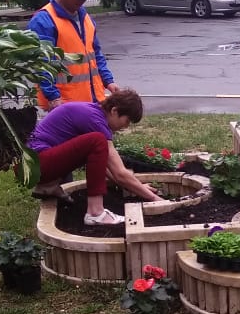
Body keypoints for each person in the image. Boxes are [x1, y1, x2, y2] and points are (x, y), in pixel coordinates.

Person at [28, 90, 162, 225]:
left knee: (97, 143)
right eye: (127, 121)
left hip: (36, 164)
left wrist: (138, 188)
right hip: (38, 163)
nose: (125, 126)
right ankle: (95, 212)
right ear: (114, 111)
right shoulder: (95, 121)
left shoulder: (94, 113)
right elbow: (120, 173)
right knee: (97, 140)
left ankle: (47, 186)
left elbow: (106, 168)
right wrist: (154, 198)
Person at [29, 0, 120, 109]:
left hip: (93, 101)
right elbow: (42, 65)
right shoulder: (43, 21)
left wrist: (108, 81)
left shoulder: (85, 18)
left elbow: (95, 54)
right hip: (65, 107)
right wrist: (53, 97)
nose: (82, 0)